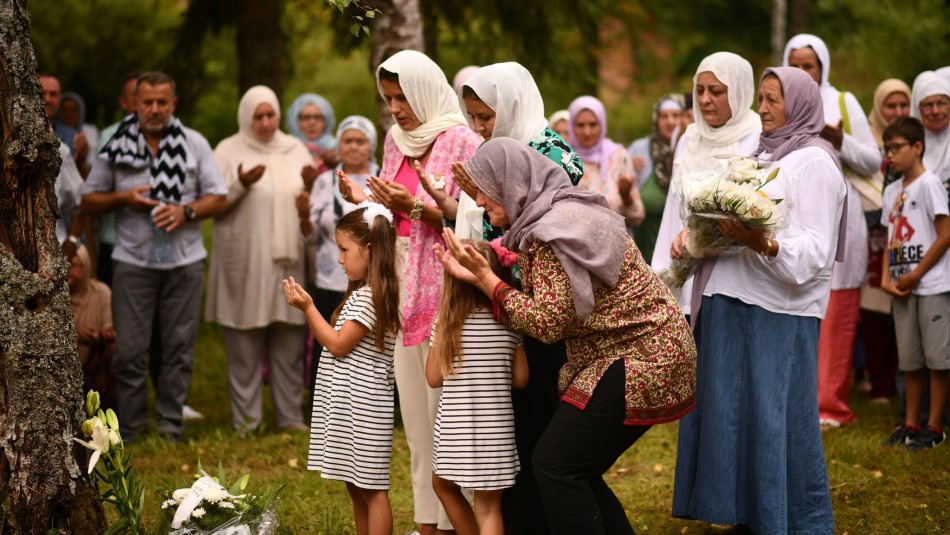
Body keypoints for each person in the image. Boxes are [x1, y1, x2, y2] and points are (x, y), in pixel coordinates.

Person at [436, 137, 696, 534]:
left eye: (484, 193)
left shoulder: (549, 234)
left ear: (512, 182)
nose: (481, 204)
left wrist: (488, 280)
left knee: (556, 464)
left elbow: (548, 323)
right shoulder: (563, 212)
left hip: (643, 356)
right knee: (573, 466)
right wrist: (482, 275)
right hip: (651, 350)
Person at [673, 66, 845, 534]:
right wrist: (697, 236)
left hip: (777, 312)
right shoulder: (761, 154)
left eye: (773, 100)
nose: (763, 109)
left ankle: (792, 519)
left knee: (775, 419)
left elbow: (815, 251)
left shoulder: (814, 163)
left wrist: (761, 243)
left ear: (801, 106)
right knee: (732, 416)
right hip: (733, 300)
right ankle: (746, 514)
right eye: (763, 99)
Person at [340, 49, 482, 535]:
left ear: (425, 90)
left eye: (402, 97)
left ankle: (454, 522)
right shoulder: (395, 140)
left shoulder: (461, 139)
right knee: (417, 427)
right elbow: (390, 216)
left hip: (445, 295)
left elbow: (474, 223)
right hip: (399, 291)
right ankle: (428, 525)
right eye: (388, 98)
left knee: (447, 424)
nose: (396, 108)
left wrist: (416, 208)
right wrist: (366, 202)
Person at [448, 61, 582, 534]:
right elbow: (483, 221)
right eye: (474, 118)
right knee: (508, 426)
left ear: (512, 105)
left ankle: (543, 521)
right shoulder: (490, 150)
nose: (481, 127)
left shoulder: (550, 151)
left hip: (539, 302)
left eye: (487, 116)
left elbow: (552, 231)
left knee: (539, 417)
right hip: (495, 297)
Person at [81, 71, 227, 441]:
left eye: (163, 102)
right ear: (135, 103)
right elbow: (88, 198)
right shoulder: (115, 144)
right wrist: (124, 199)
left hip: (184, 261)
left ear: (173, 104)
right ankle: (130, 428)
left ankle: (169, 426)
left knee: (178, 347)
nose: (155, 109)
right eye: (148, 102)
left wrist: (186, 211)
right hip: (133, 261)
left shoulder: (194, 144)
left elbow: (218, 196)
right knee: (129, 351)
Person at [283, 205, 401, 535]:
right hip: (352, 405)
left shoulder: (370, 297)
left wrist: (308, 307)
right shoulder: (364, 293)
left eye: (345, 250)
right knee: (356, 485)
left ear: (370, 250)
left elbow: (337, 345)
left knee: (372, 489)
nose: (340, 259)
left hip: (364, 408)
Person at [205, 85, 313, 433]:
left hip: (287, 263)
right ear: (246, 117)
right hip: (246, 263)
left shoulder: (295, 149)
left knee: (288, 344)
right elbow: (213, 205)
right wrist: (240, 183)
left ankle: (290, 418)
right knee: (244, 348)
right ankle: (247, 422)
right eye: (258, 116)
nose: (266, 123)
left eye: (271, 115)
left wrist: (309, 194)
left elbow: (311, 202)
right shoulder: (227, 150)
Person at [784, 33, 874, 429]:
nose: (803, 72)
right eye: (796, 64)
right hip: (797, 213)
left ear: (823, 68)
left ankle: (832, 404)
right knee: (801, 301)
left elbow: (874, 160)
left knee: (837, 308)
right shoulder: (782, 100)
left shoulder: (843, 102)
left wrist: (842, 141)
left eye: (810, 65)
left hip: (841, 213)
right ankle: (800, 398)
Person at [426, 240, 528, 535]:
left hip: (456, 431)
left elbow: (433, 377)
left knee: (442, 485)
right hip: (496, 433)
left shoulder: (447, 325)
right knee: (489, 507)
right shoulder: (510, 323)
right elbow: (521, 379)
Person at [651, 52, 762, 317]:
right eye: (699, 90)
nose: (704, 99)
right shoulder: (689, 138)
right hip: (681, 269)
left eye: (716, 91)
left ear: (739, 91)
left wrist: (698, 238)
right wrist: (661, 272)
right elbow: (672, 210)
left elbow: (750, 211)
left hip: (732, 280)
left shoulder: (758, 137)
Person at [879, 116, 950, 450]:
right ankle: (910, 424)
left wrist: (918, 274)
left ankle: (934, 427)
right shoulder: (892, 190)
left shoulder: (929, 184)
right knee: (909, 359)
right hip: (900, 286)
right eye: (886, 149)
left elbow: (946, 233)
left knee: (937, 359)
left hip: (930, 284)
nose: (890, 155)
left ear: (917, 147)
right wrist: (884, 278)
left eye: (896, 148)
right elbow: (890, 236)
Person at [297, 115, 378, 404]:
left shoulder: (381, 179)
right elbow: (309, 234)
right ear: (339, 145)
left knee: (367, 338)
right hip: (330, 276)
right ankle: (325, 399)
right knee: (328, 335)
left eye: (360, 141)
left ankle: (370, 398)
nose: (354, 147)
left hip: (371, 278)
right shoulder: (323, 182)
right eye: (348, 140)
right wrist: (304, 216)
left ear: (371, 146)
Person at [861, 78, 913, 403]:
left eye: (903, 105)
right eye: (890, 105)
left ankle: (903, 381)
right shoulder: (865, 141)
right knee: (874, 311)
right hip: (872, 240)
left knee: (903, 307)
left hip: (904, 237)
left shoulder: (916, 140)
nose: (896, 111)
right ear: (878, 108)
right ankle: (880, 383)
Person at [569, 96, 645, 236]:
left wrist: (626, 197)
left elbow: (637, 216)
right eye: (580, 125)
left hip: (617, 247)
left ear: (602, 124)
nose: (587, 132)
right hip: (575, 248)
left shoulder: (618, 156)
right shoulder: (565, 158)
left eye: (593, 125)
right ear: (571, 126)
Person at [96, 71, 143, 286]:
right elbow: (92, 196)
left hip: (157, 248)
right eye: (135, 96)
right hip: (115, 242)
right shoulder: (109, 137)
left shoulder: (170, 137)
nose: (142, 102)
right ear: (123, 102)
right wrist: (126, 197)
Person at [627, 94, 684, 263]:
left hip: (679, 247)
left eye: (675, 115)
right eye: (664, 116)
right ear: (656, 120)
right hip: (642, 246)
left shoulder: (691, 148)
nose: (670, 121)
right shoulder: (639, 149)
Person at [40, 73, 85, 258]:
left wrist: (72, 242)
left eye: (54, 94)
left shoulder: (63, 148)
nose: (48, 99)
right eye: (42, 93)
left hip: (53, 253)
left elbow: (81, 201)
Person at [69, 244, 116, 410]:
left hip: (92, 368)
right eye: (64, 263)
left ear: (86, 266)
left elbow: (110, 332)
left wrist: (98, 336)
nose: (68, 270)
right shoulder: (51, 297)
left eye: (74, 265)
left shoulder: (101, 292)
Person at [287, 93, 340, 179]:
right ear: (295, 121)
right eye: (306, 117)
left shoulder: (338, 150)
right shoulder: (286, 149)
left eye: (318, 117)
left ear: (327, 121)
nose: (312, 123)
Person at [911, 71, 950, 185]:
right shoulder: (905, 148)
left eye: (942, 103)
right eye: (928, 105)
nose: (935, 111)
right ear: (918, 109)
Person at [58, 91, 99, 172]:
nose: (68, 114)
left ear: (80, 111)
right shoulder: (52, 132)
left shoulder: (90, 131)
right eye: (65, 110)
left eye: (73, 110)